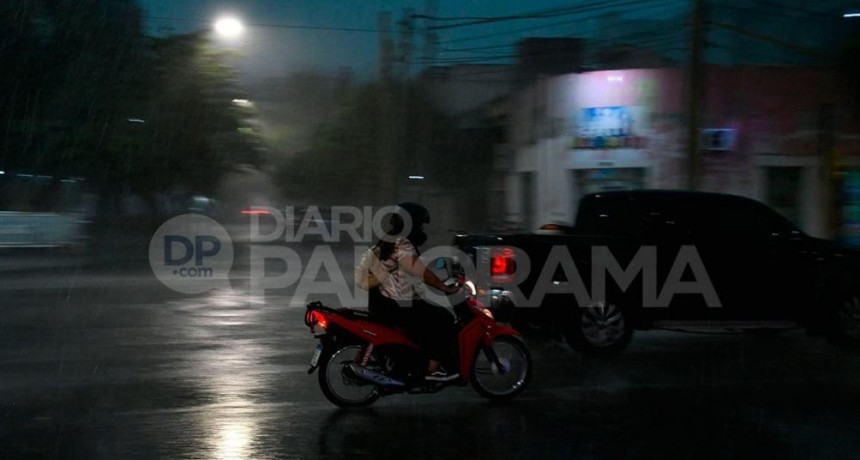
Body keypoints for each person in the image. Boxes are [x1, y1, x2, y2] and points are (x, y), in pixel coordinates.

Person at [367, 202, 461, 382]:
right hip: (395, 305)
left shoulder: (388, 239)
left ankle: (416, 362)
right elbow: (420, 270)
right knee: (444, 319)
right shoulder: (401, 243)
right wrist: (444, 287)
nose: (422, 229)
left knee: (427, 316)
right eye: (420, 225)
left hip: (384, 302)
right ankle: (433, 368)